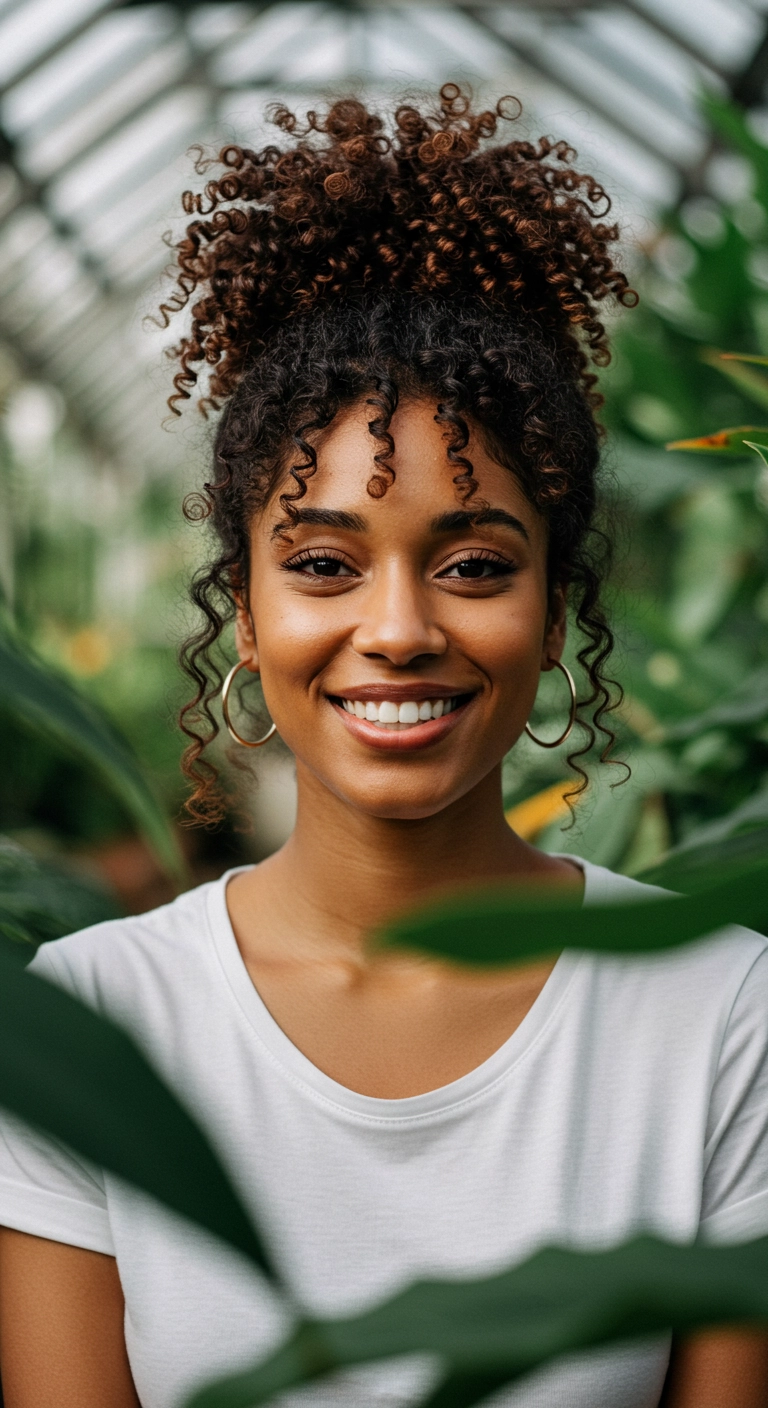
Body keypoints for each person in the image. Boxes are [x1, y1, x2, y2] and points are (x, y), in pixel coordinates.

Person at [1, 87, 767, 1408]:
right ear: (247, 614)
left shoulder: (720, 1012)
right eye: (322, 564)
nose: (400, 630)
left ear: (554, 611)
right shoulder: (93, 1025)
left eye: (474, 565)